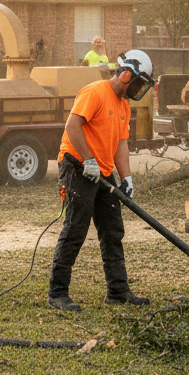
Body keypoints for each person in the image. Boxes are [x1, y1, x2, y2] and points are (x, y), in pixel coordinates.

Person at [48, 50, 155, 311]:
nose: (138, 89)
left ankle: (118, 291)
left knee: (112, 230)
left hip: (102, 171)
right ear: (126, 74)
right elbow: (72, 126)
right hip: (77, 165)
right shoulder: (94, 92)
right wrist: (88, 160)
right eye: (139, 83)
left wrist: (126, 178)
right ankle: (57, 293)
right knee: (76, 228)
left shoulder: (123, 105)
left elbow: (120, 143)